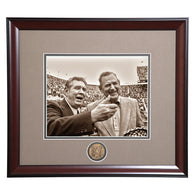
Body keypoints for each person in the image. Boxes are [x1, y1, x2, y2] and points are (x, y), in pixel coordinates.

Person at [47, 76, 118, 136]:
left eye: (84, 89)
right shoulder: (53, 105)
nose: (82, 92)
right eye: (77, 88)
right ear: (66, 91)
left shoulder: (80, 112)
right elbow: (51, 128)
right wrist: (91, 116)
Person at [88, 71, 144, 136]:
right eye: (107, 85)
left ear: (119, 84)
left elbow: (140, 130)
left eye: (115, 83)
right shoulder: (92, 108)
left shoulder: (133, 103)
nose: (112, 88)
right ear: (101, 89)